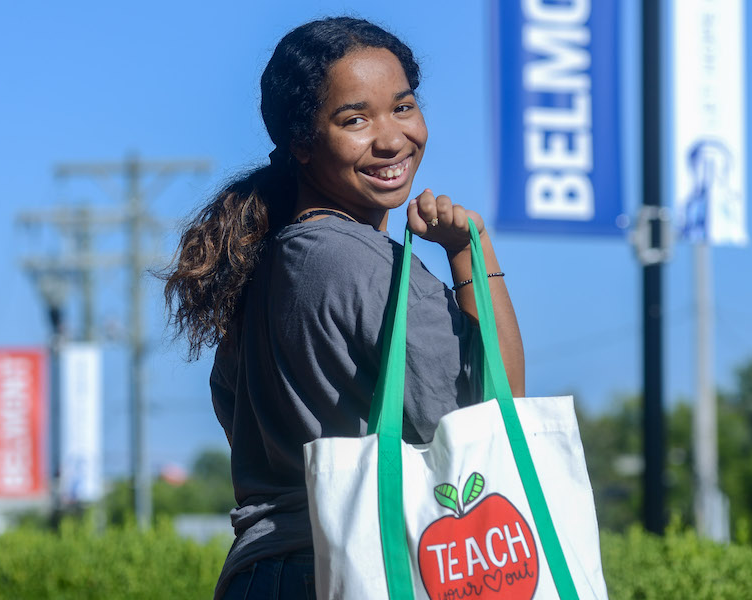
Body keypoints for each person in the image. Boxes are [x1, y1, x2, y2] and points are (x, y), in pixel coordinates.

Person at [161, 17, 525, 600]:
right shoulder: (358, 260)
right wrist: (471, 252)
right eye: (354, 119)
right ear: (302, 143)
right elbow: (490, 414)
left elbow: (237, 417)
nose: (390, 138)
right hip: (355, 568)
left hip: (259, 572)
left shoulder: (264, 263)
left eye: (402, 107)